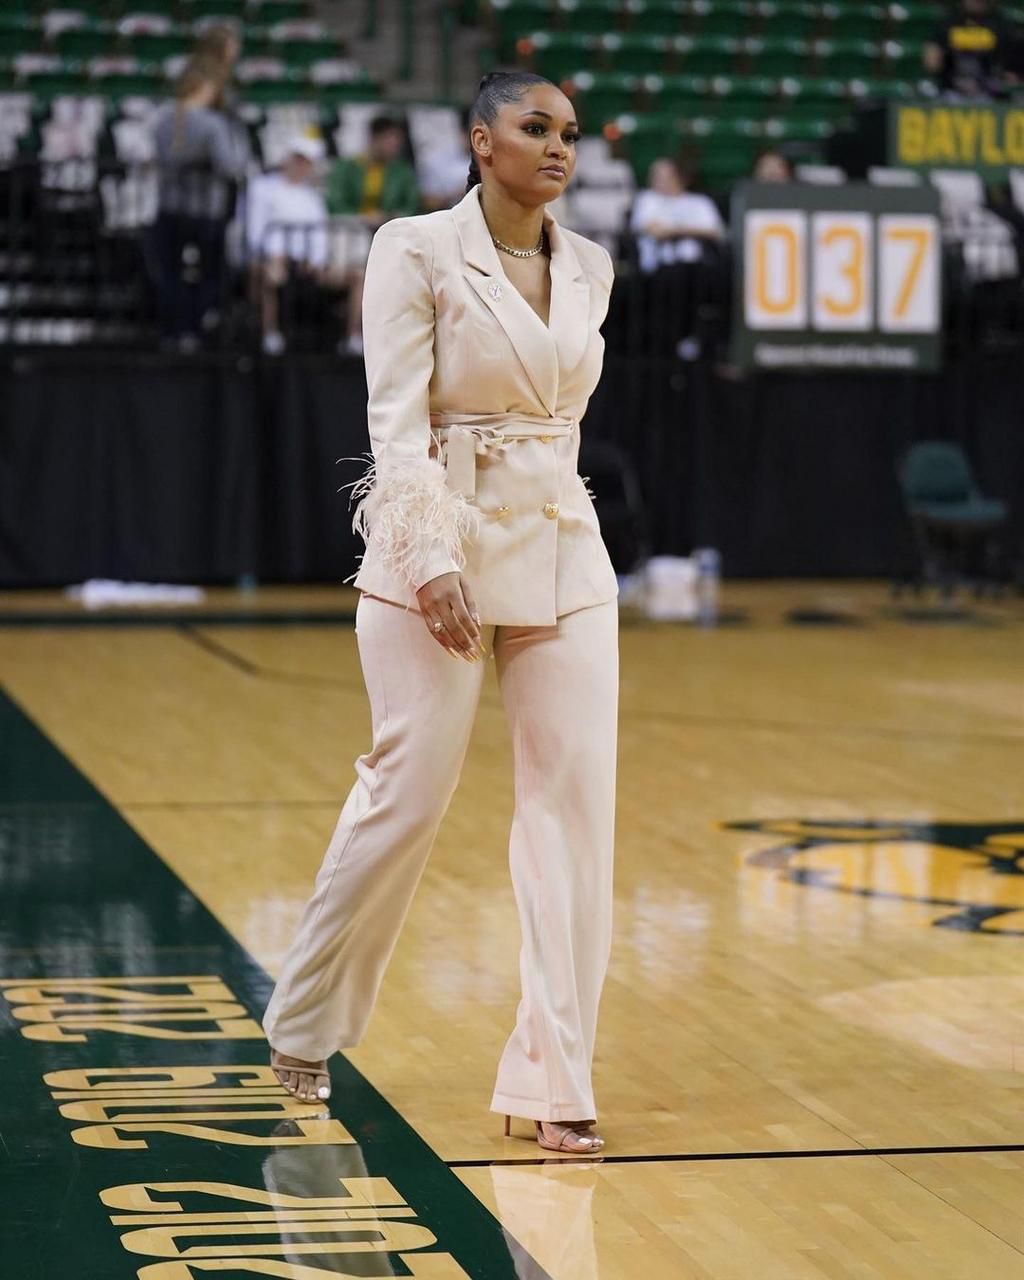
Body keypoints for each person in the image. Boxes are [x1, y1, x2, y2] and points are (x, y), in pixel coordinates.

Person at [262, 69, 620, 1156]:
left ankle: (556, 1077)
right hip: (441, 545)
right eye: (533, 126)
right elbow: (395, 421)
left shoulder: (592, 265)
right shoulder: (411, 247)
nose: (557, 147)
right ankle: (305, 1023)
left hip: (564, 545)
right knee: (405, 797)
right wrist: (426, 556)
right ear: (480, 141)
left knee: (573, 810)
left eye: (567, 132)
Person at [148, 61, 248, 349]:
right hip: (205, 211)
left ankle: (171, 331)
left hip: (169, 207)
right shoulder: (212, 123)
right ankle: (198, 329)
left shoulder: (162, 120)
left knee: (171, 274)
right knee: (210, 274)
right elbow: (230, 166)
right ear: (206, 89)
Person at [324, 115, 420, 353]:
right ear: (374, 139)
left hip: (388, 234)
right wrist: (364, 218)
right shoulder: (347, 167)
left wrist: (390, 217)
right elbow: (334, 203)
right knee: (360, 272)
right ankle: (356, 335)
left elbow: (412, 205)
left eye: (397, 141)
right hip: (352, 232)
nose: (394, 146)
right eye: (389, 140)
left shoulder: (402, 172)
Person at [245, 132, 333, 354]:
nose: (300, 166)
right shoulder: (261, 187)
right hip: (266, 256)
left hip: (300, 260)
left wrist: (316, 260)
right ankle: (269, 332)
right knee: (271, 274)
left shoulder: (312, 197)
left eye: (306, 162)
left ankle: (348, 338)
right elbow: (256, 230)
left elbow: (319, 234)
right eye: (298, 159)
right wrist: (274, 254)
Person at [629, 156, 724, 275]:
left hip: (697, 268)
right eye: (655, 176)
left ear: (678, 177)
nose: (657, 181)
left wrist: (673, 231)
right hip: (658, 268)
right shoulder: (647, 199)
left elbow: (716, 232)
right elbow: (655, 231)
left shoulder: (700, 202)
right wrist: (690, 231)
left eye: (665, 177)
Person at [923, 0, 1020, 96]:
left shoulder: (1000, 24)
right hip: (952, 91)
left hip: (991, 91)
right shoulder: (949, 22)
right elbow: (932, 62)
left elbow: (1011, 66)